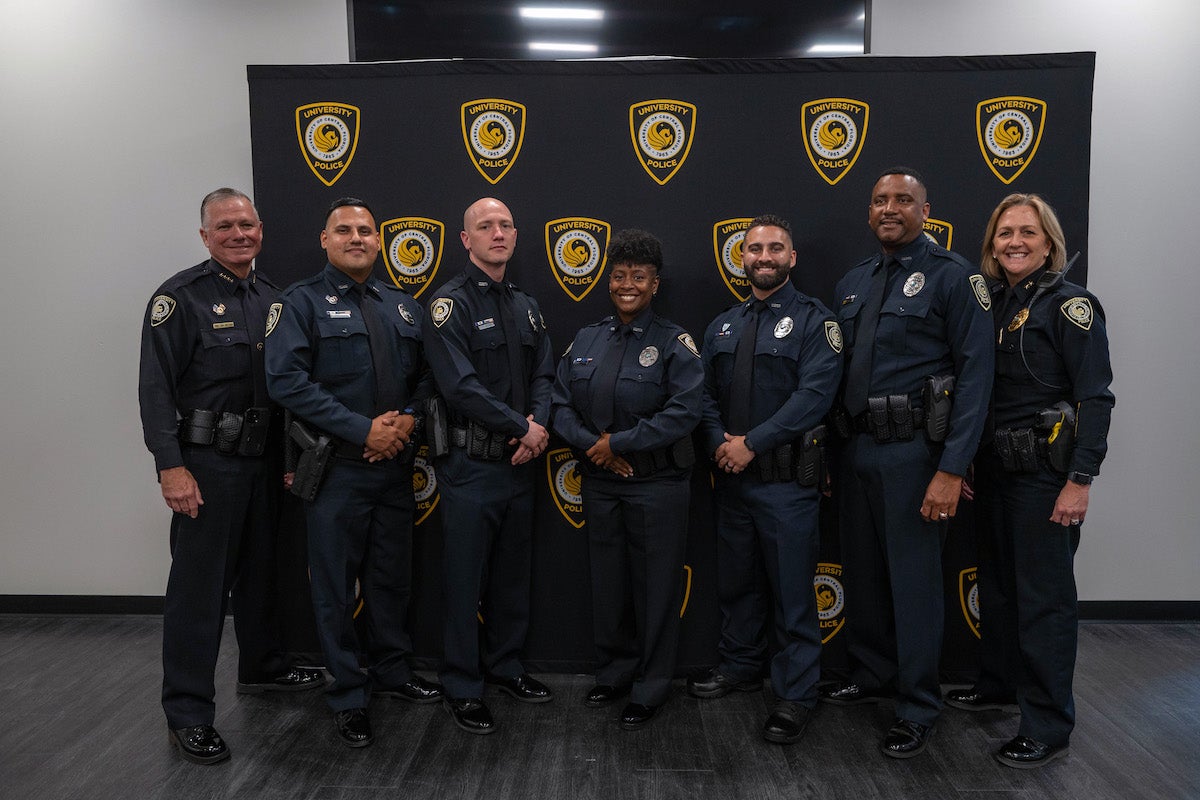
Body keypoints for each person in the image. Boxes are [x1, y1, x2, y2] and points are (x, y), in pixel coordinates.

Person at [139, 188, 324, 765]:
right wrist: (171, 468)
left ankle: (263, 667)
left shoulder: (275, 297)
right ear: (204, 236)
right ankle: (188, 712)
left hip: (267, 461)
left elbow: (288, 388)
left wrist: (291, 464)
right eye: (225, 227)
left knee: (264, 574)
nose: (239, 234)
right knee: (198, 593)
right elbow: (154, 390)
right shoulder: (180, 298)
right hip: (208, 465)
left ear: (261, 230)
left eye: (247, 225)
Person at [821, 168, 994, 758]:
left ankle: (919, 704)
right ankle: (872, 675)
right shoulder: (852, 283)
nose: (888, 208)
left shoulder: (955, 277)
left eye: (902, 200)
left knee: (915, 586)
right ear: (868, 213)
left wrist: (951, 468)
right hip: (857, 450)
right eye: (878, 201)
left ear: (926, 210)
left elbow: (976, 380)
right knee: (864, 575)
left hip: (917, 455)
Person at [265, 198, 441, 749]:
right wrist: (363, 430)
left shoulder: (404, 307)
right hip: (337, 470)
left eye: (366, 230)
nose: (357, 238)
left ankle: (393, 672)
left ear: (380, 241)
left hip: (394, 469)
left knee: (392, 579)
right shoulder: (299, 304)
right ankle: (346, 692)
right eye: (344, 230)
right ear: (324, 240)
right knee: (336, 590)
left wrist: (405, 423)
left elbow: (427, 381)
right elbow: (287, 382)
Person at [947, 193, 1113, 768]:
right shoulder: (986, 304)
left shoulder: (1070, 306)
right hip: (991, 473)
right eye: (1004, 233)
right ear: (991, 244)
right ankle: (997, 684)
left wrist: (1081, 478)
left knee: (1044, 603)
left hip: (1045, 478)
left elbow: (1095, 397)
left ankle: (1047, 722)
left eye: (1028, 232)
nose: (1014, 242)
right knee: (996, 591)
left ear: (1049, 243)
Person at [687, 215, 843, 744]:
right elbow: (703, 395)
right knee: (737, 583)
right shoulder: (722, 325)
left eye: (776, 247)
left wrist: (749, 444)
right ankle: (740, 665)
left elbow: (814, 398)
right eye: (754, 248)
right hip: (731, 481)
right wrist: (718, 444)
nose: (764, 256)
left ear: (792, 257)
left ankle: (796, 693)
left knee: (793, 594)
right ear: (742, 258)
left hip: (786, 484)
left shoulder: (816, 322)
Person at [550, 229, 703, 729]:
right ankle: (613, 674)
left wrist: (617, 444)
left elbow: (685, 412)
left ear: (655, 284)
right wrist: (598, 450)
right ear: (607, 280)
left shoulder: (674, 342)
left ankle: (651, 687)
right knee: (609, 585)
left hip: (657, 486)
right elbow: (558, 404)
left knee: (657, 589)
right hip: (602, 483)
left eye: (638, 276)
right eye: (618, 276)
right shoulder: (588, 338)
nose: (627, 285)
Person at [421, 197, 555, 735]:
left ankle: (506, 667)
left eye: (504, 224)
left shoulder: (527, 306)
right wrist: (523, 428)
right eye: (485, 226)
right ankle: (462, 684)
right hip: (471, 467)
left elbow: (545, 374)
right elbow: (460, 387)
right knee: (463, 580)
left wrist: (537, 429)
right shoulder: (447, 306)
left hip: (521, 465)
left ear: (516, 236)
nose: (496, 233)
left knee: (510, 578)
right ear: (465, 240)